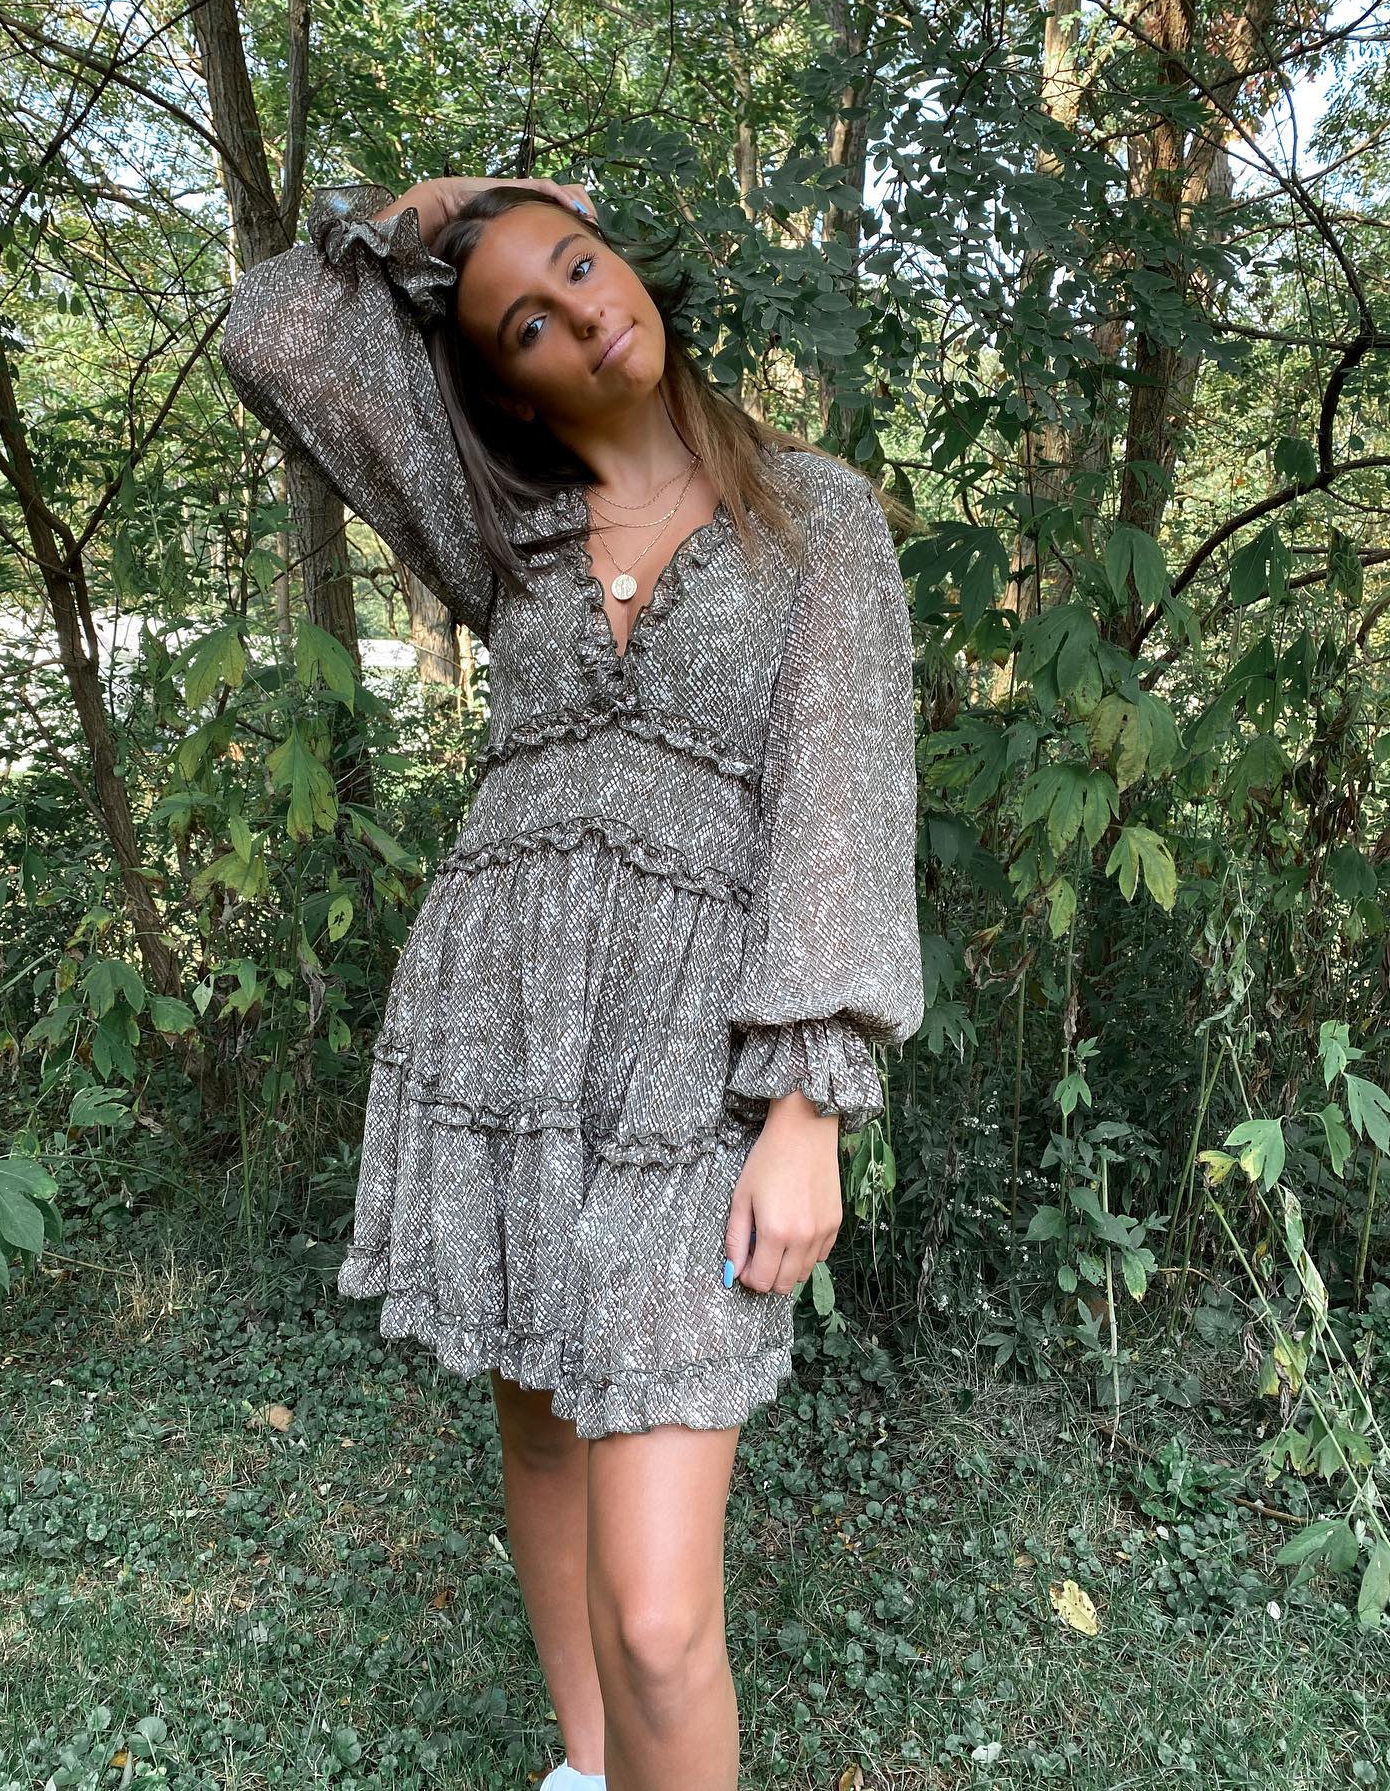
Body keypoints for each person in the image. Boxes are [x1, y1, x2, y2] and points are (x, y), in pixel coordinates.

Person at [219, 173, 924, 1791]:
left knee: (663, 1619)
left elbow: (841, 813)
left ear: (633, 267)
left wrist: (810, 1103)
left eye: (580, 263)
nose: (580, 313)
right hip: (504, 1031)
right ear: (508, 386)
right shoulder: (502, 527)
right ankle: (588, 1770)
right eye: (525, 321)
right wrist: (443, 211)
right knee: (538, 1423)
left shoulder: (811, 514)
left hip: (697, 1069)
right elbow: (271, 334)